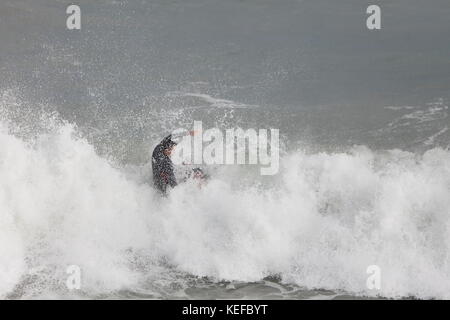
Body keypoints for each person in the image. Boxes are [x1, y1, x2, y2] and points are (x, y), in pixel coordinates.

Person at [152, 130, 196, 195]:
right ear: (167, 149)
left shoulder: (160, 146)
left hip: (157, 176)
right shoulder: (165, 161)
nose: (172, 152)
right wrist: (177, 191)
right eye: (172, 150)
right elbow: (171, 177)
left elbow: (171, 136)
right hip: (161, 182)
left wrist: (187, 133)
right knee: (165, 191)